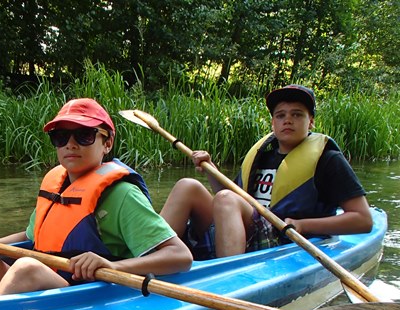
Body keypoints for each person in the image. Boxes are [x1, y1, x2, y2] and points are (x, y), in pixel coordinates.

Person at [0, 98, 192, 301]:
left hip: (84, 294)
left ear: (107, 143)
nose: (70, 144)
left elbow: (179, 255)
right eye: (60, 136)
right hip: (46, 284)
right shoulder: (57, 187)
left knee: (26, 268)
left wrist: (112, 266)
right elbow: (29, 236)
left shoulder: (122, 195)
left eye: (84, 135)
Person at [160, 84, 373, 260]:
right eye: (280, 115)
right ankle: (156, 256)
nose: (287, 120)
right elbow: (234, 199)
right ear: (273, 123)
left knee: (225, 198)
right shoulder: (263, 155)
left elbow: (363, 220)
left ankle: (229, 276)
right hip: (247, 231)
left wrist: (302, 225)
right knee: (187, 186)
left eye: (297, 114)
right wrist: (211, 170)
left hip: (282, 239)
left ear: (311, 122)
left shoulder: (328, 159)